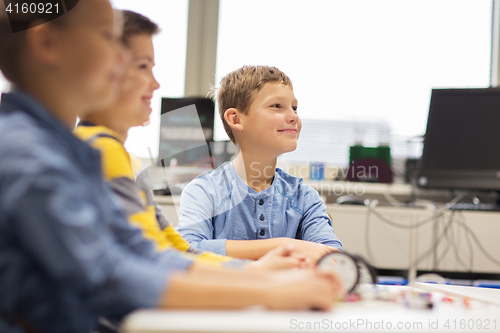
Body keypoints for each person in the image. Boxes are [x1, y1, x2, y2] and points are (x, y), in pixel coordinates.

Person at [0, 2, 341, 332]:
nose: (121, 59)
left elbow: (150, 253)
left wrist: (258, 278)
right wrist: (267, 289)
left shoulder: (64, 153)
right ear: (47, 43)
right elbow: (108, 274)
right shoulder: (29, 155)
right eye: (107, 36)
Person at [74, 10, 307, 270]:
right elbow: (144, 263)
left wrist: (252, 272)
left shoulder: (123, 157)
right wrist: (260, 274)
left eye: (294, 108)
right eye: (142, 67)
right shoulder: (98, 150)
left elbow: (174, 248)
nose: (156, 84)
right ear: (102, 70)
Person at [176, 65, 343, 263]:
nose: (294, 117)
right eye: (277, 106)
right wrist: (285, 246)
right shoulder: (204, 191)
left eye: (294, 108)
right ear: (235, 119)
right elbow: (187, 249)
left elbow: (333, 260)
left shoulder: (305, 198)